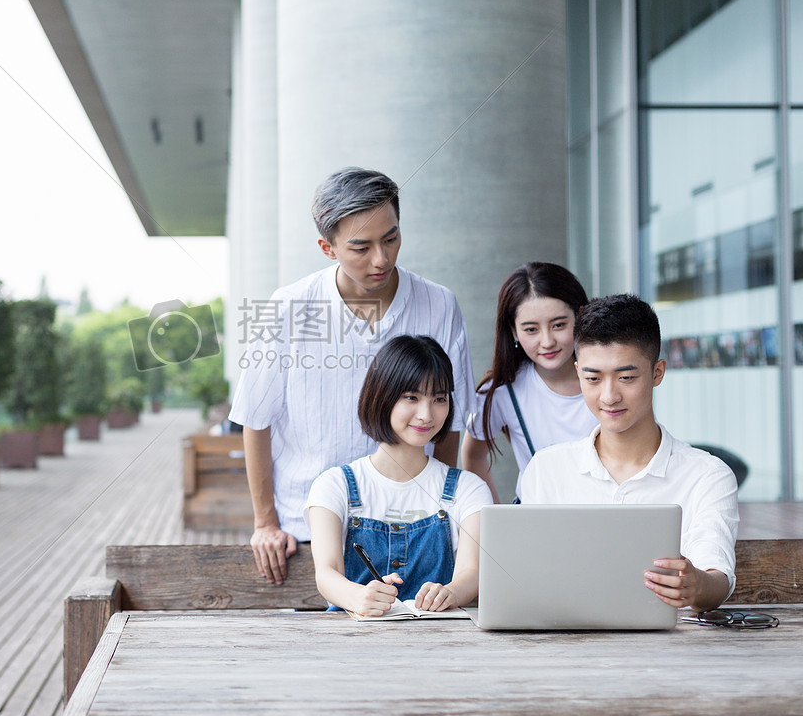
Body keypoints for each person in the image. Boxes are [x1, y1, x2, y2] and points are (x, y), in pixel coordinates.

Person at [228, 167, 477, 584]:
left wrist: (438, 508)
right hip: (306, 528)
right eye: (361, 247)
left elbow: (449, 421)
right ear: (328, 247)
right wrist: (265, 521)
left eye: (391, 238)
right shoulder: (289, 307)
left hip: (412, 528)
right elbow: (257, 419)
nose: (381, 259)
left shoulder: (439, 304)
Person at [519, 294, 739, 612]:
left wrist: (697, 585)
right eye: (592, 379)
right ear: (578, 372)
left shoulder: (707, 476)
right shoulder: (547, 469)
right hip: (567, 647)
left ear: (657, 373)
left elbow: (717, 577)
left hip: (670, 654)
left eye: (626, 378)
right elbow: (531, 574)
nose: (609, 396)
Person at [305, 335, 490, 616]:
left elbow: (471, 573)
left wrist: (449, 592)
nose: (426, 414)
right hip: (348, 647)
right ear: (381, 396)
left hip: (440, 646)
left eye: (439, 399)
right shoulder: (334, 485)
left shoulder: (468, 489)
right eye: (411, 397)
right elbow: (326, 573)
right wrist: (359, 597)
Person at [460, 262, 596, 503]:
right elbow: (473, 455)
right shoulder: (502, 390)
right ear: (513, 331)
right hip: (537, 526)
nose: (547, 341)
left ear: (581, 315)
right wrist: (494, 517)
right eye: (531, 329)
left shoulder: (608, 376)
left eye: (559, 325)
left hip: (607, 517)